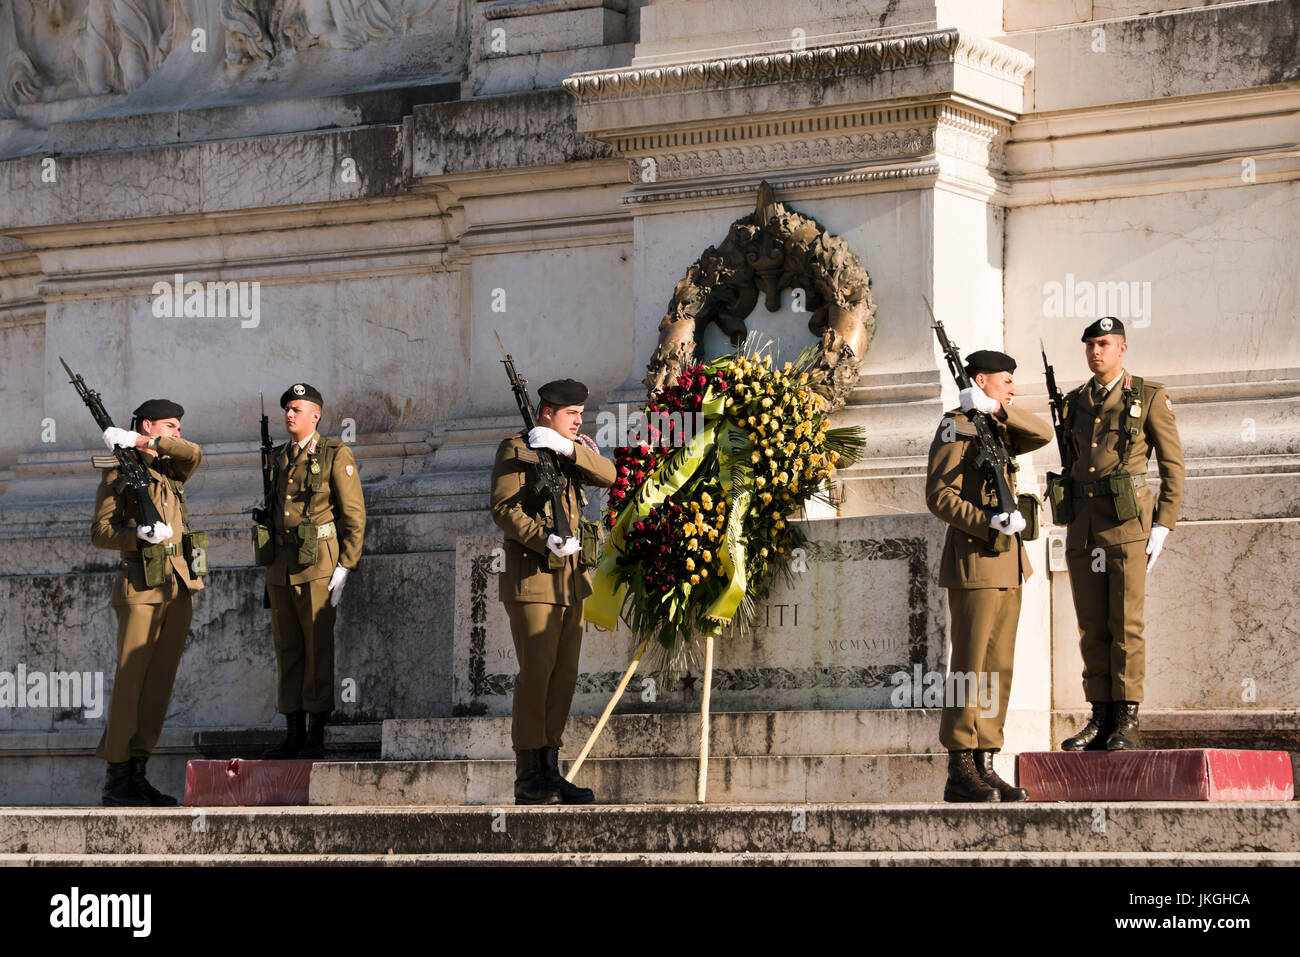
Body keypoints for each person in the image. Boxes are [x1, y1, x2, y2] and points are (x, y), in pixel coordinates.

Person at [926, 350, 1053, 802]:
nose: (1013, 389)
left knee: (998, 668)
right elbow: (939, 495)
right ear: (980, 379)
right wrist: (986, 522)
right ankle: (960, 767)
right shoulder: (954, 426)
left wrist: (997, 407)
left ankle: (986, 760)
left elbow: (1042, 432)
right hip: (975, 562)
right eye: (1005, 382)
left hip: (1009, 564)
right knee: (970, 667)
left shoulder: (996, 426)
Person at [1059, 317, 1184, 751]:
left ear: (1122, 349)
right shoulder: (1074, 402)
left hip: (1128, 526)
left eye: (1104, 344)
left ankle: (1127, 719)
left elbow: (1173, 466)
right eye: (1091, 344)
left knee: (1125, 623)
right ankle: (1100, 715)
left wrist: (1164, 522)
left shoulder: (1148, 397)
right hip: (1084, 528)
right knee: (1091, 626)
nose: (1096, 351)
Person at [489, 378, 615, 804]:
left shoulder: (567, 451)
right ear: (547, 412)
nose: (579, 420)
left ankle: (550, 767)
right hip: (534, 579)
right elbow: (503, 508)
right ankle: (527, 774)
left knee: (564, 677)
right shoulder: (516, 448)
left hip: (572, 582)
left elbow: (610, 474)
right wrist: (543, 538)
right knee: (537, 674)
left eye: (580, 413)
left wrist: (568, 448)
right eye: (571, 414)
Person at [93, 399, 206, 806]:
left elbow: (194, 453)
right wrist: (138, 535)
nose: (175, 432)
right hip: (140, 588)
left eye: (176, 427)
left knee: (158, 685)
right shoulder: (117, 472)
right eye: (168, 425)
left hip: (177, 587)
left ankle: (139, 772)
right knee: (130, 684)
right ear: (146, 421)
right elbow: (100, 532)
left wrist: (146, 440)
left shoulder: (170, 466)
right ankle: (116, 779)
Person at [260, 383, 366, 760]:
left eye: (298, 409)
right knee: (288, 649)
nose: (290, 414)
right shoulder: (278, 458)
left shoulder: (336, 454)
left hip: (319, 565)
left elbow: (354, 514)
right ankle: (293, 731)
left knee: (316, 648)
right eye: (287, 408)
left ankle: (315, 734)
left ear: (316, 416)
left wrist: (346, 565)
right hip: (281, 568)